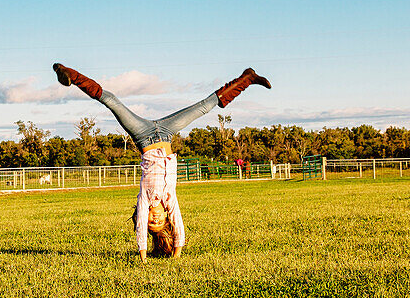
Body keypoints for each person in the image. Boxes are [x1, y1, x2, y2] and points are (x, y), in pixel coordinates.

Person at [53, 63, 270, 262]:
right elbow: (179, 229)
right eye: (159, 221)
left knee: (111, 101)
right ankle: (247, 78)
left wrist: (143, 257)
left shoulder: (144, 200)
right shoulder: (170, 200)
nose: (154, 219)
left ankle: (69, 74)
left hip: (143, 135)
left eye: (150, 222)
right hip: (166, 133)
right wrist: (176, 255)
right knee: (205, 106)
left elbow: (139, 230)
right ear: (166, 218)